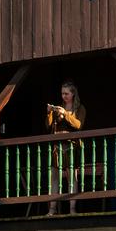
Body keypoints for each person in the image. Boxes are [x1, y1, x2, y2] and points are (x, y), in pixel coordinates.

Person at [45, 81, 86, 214]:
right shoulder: (59, 107)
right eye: (62, 93)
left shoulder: (80, 108)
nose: (64, 96)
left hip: (71, 146)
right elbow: (48, 126)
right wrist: (49, 113)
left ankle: (72, 209)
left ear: (73, 93)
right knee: (54, 178)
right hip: (57, 146)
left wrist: (66, 114)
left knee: (72, 179)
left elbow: (78, 125)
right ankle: (52, 209)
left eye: (66, 93)